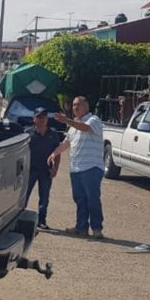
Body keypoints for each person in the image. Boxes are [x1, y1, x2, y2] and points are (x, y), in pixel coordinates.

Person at [51, 96, 106, 239]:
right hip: (76, 169)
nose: (75, 108)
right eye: (74, 105)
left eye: (78, 105)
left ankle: (97, 228)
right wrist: (54, 153)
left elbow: (86, 128)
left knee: (92, 198)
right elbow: (66, 143)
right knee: (80, 199)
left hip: (91, 168)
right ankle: (81, 227)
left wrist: (67, 121)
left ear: (86, 106)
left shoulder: (93, 120)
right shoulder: (73, 126)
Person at [25, 107, 63, 229]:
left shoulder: (53, 134)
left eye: (43, 117)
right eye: (39, 117)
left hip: (46, 171)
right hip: (30, 170)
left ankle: (41, 220)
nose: (41, 119)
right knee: (24, 195)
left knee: (44, 197)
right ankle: (19, 218)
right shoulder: (27, 133)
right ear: (34, 119)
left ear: (47, 119)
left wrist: (55, 168)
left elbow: (57, 152)